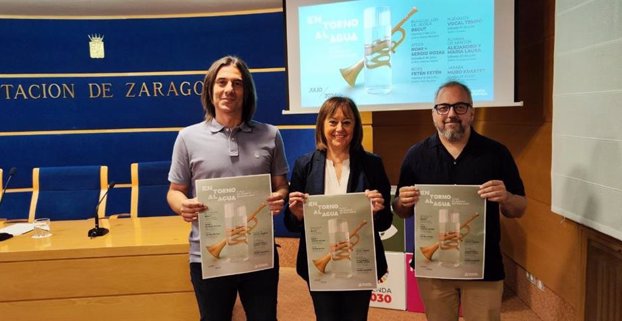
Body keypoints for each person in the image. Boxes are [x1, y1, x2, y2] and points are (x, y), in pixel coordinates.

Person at [167, 55, 289, 321]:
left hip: (259, 253)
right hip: (207, 256)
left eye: (237, 83)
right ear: (210, 90)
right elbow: (175, 190)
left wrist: (279, 198)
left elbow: (282, 186)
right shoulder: (187, 137)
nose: (229, 90)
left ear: (246, 92)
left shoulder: (271, 135)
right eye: (221, 82)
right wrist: (182, 205)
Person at [393, 81, 527, 321]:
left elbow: (519, 208)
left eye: (460, 107)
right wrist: (403, 202)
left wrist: (506, 197)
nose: (451, 114)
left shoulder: (497, 153)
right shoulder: (416, 156)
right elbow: (401, 211)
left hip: (484, 269)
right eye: (443, 107)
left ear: (472, 112)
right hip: (433, 268)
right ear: (433, 114)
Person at [284, 96, 393, 321]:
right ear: (322, 126)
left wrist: (377, 210)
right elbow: (291, 222)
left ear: (355, 127)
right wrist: (296, 214)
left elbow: (385, 222)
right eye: (333, 122)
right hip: (319, 261)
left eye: (347, 122)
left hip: (359, 261)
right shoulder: (304, 164)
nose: (339, 128)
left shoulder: (372, 164)